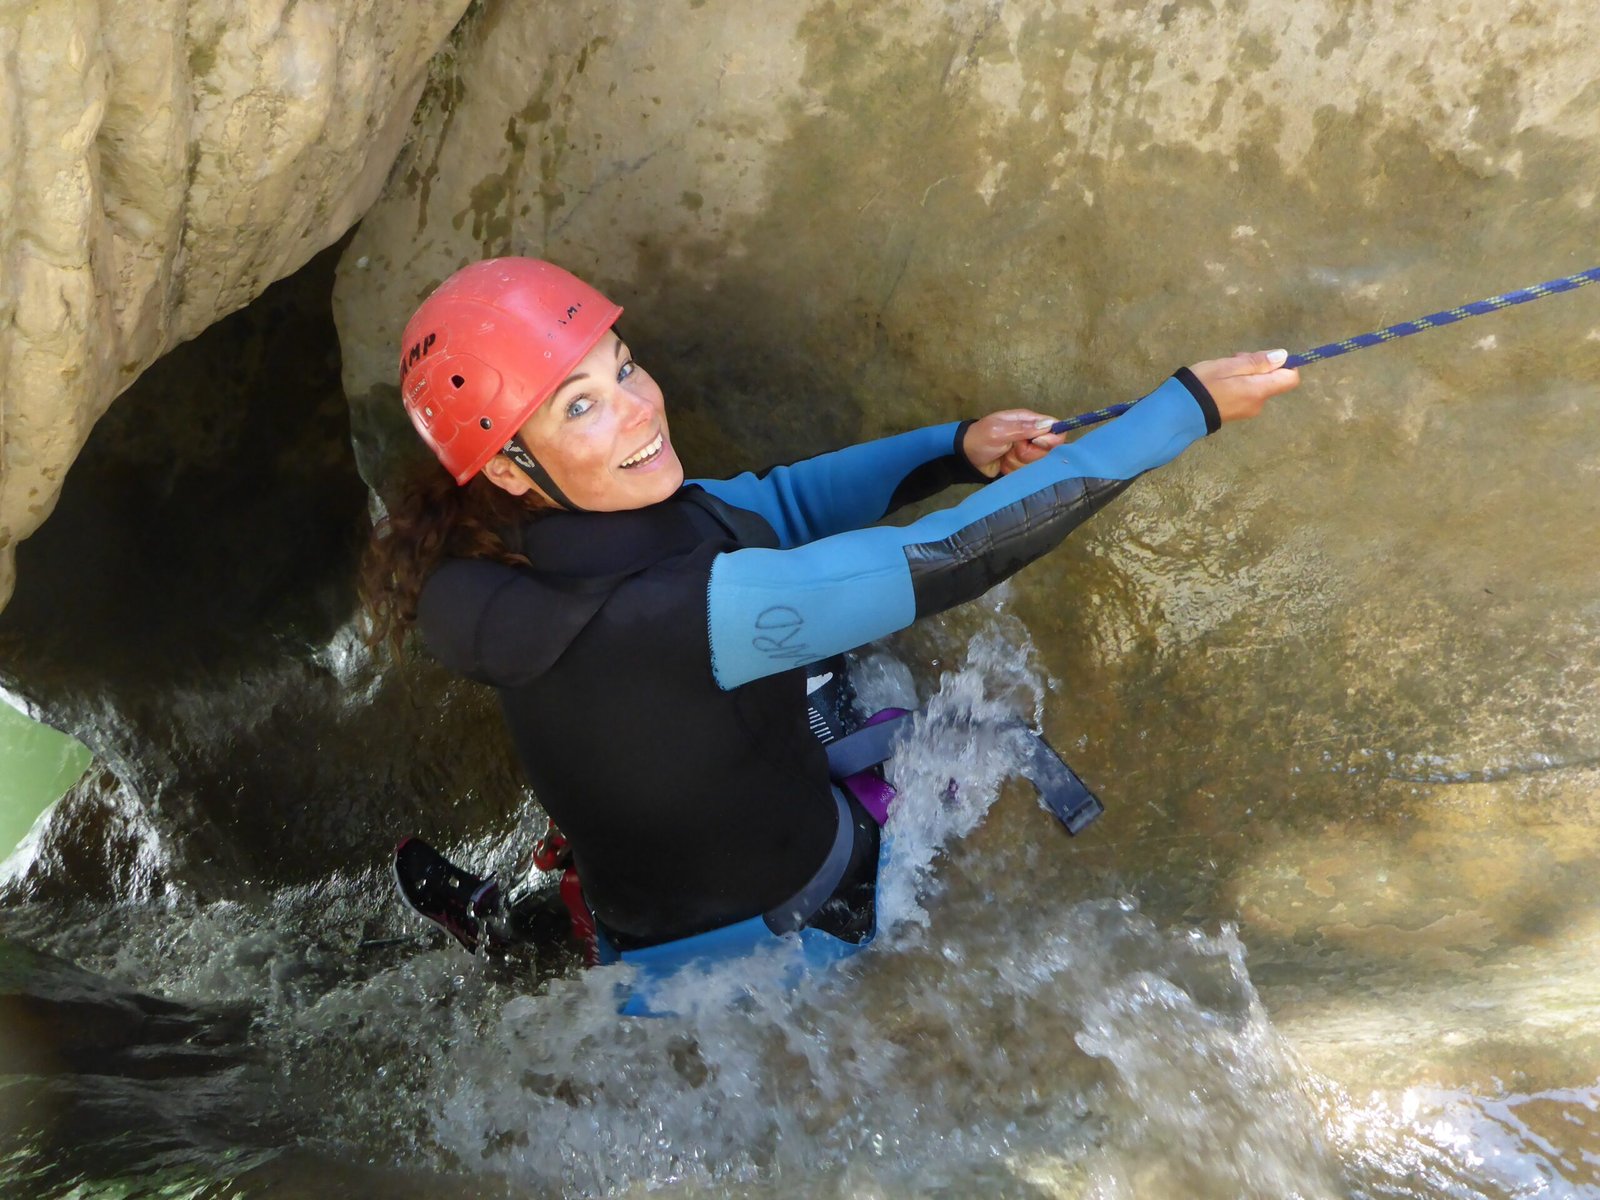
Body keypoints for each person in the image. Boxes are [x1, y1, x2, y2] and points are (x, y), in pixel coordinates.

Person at [361, 257, 1299, 985]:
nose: (641, 407)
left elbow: (776, 501)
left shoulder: (500, 554)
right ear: (511, 467)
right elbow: (954, 557)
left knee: (684, 737)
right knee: (835, 679)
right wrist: (1187, 411)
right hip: (795, 931)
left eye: (624, 367)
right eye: (583, 406)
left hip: (652, 903)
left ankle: (531, 925)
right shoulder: (683, 613)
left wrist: (953, 450)